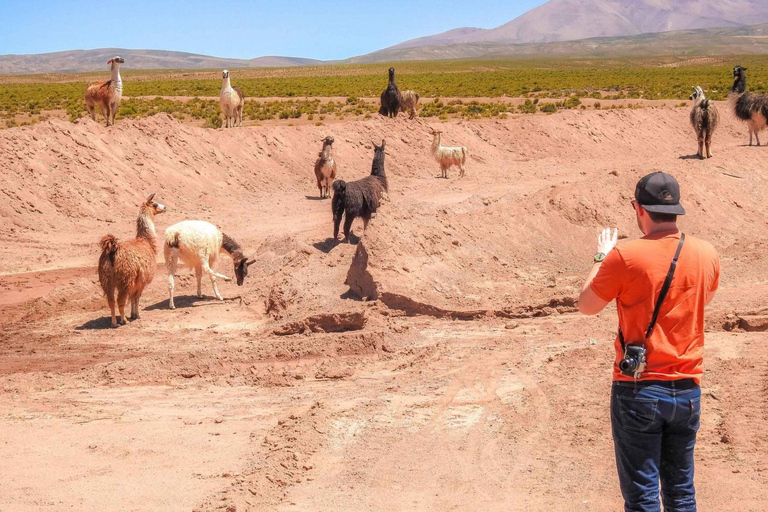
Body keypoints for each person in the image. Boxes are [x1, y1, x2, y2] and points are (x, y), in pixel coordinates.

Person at [578, 172, 720, 512]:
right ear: (676, 210)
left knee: (642, 497)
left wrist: (601, 257)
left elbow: (587, 306)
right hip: (687, 389)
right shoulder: (706, 253)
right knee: (682, 492)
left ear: (637, 208)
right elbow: (704, 300)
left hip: (638, 389)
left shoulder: (625, 256)